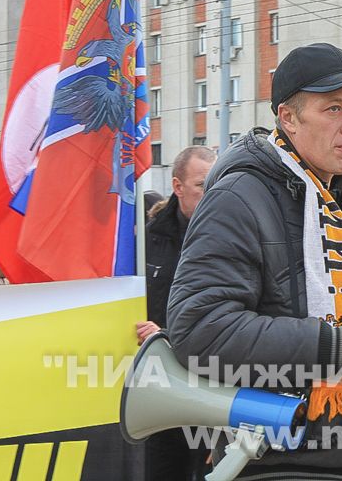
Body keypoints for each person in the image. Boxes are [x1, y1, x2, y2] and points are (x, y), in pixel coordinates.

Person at [167, 43, 342, 480]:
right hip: (282, 465)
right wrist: (334, 348)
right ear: (288, 118)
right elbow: (199, 328)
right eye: (333, 109)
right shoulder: (239, 197)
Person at [136, 146, 217, 481]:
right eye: (201, 185)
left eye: (215, 184)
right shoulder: (146, 240)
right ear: (177, 186)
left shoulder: (232, 235)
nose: (210, 194)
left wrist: (168, 333)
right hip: (160, 384)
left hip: (215, 381)